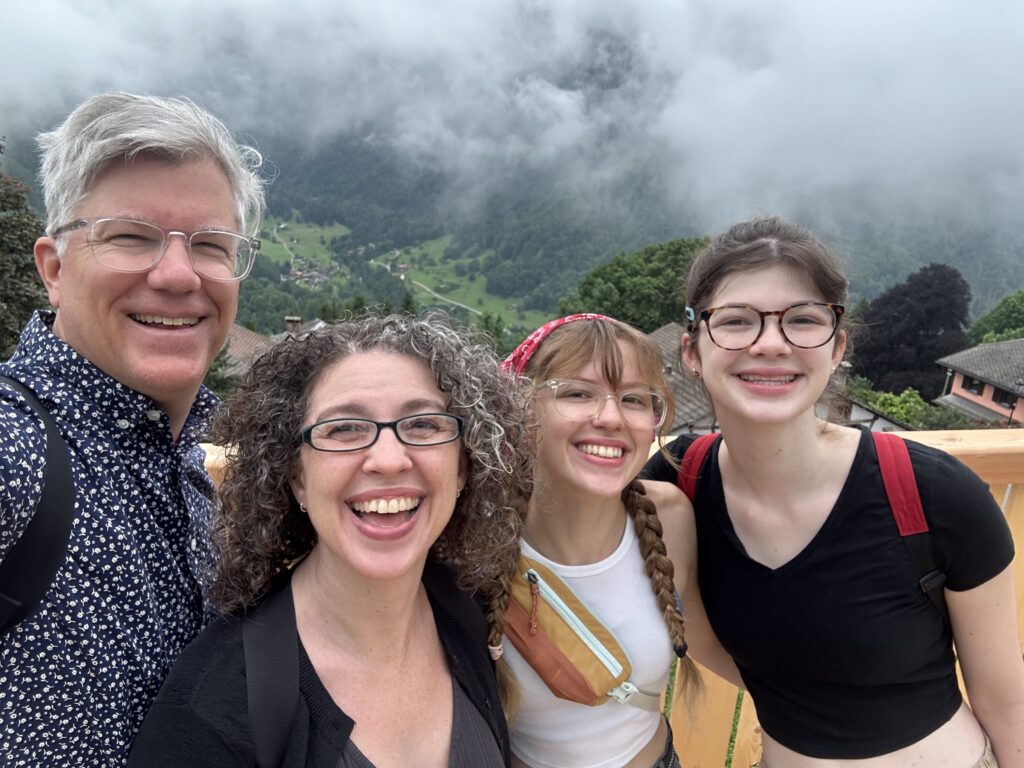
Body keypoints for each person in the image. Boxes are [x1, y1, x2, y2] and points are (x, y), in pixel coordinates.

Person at [642, 216, 1024, 767]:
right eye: (735, 321)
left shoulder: (933, 495)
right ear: (692, 351)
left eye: (801, 320)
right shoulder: (678, 479)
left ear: (836, 345)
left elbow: (1004, 699)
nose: (770, 344)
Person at [128, 312, 534, 767]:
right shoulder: (209, 714)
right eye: (343, 429)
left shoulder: (464, 609)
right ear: (296, 476)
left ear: (463, 467)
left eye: (423, 424)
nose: (388, 459)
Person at [0, 92, 266, 766]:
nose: (178, 275)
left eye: (210, 245)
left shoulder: (217, 456)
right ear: (54, 269)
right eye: (130, 236)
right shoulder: (14, 447)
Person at [498, 314, 700, 768]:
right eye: (576, 393)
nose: (609, 418)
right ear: (522, 408)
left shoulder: (669, 518)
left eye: (632, 399)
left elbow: (712, 642)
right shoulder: (474, 540)